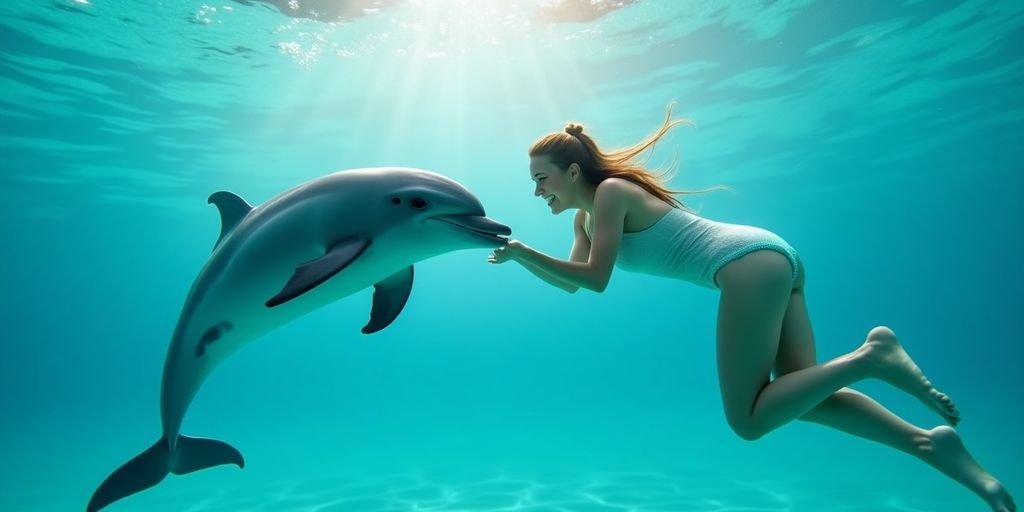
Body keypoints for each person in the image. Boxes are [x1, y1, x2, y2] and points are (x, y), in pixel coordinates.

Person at [488, 106, 1016, 512]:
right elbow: (574, 285)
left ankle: (871, 357)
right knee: (800, 395)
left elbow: (597, 281)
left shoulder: (610, 195)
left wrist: (523, 252)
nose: (536, 190)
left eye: (541, 178)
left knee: (749, 419)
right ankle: (928, 444)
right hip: (768, 259)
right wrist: (519, 258)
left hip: (746, 266)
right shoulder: (584, 220)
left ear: (574, 171)